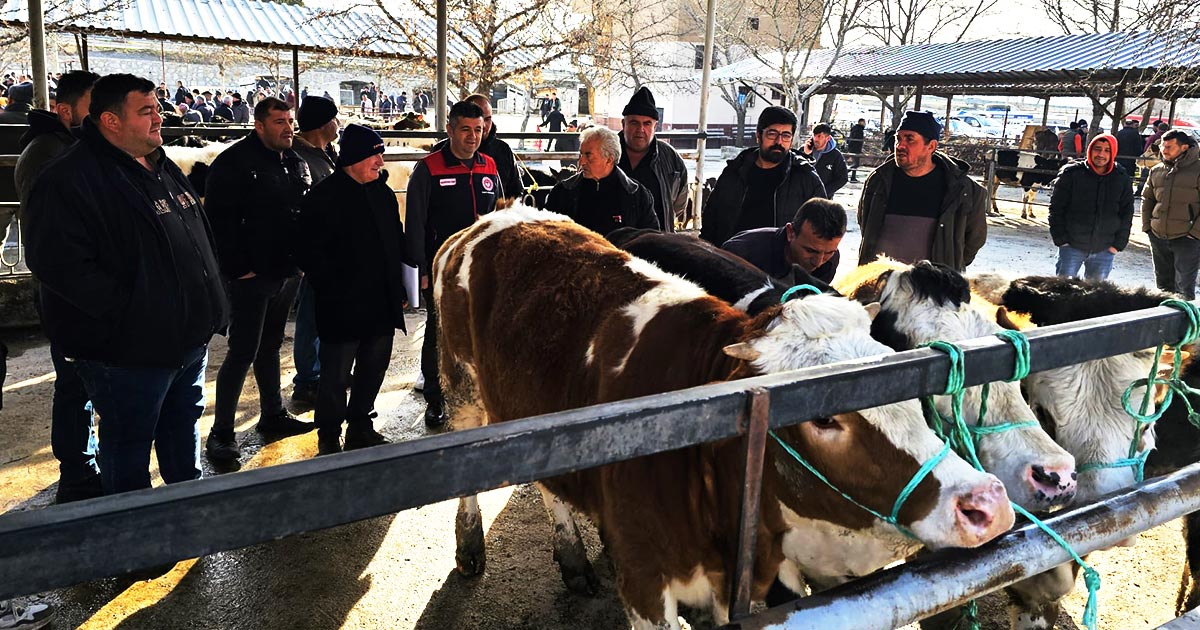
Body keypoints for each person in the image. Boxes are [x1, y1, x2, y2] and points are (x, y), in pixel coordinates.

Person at [23, 73, 229, 495]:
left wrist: (210, 300)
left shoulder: (160, 164)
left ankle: (184, 515)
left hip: (186, 340)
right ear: (110, 121)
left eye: (158, 108)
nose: (160, 118)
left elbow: (197, 235)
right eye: (146, 111)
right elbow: (58, 265)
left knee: (181, 432)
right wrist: (135, 314)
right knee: (128, 445)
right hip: (128, 351)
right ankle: (131, 543)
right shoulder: (68, 178)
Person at [203, 97, 315, 461]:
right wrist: (237, 268)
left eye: (290, 121)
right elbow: (218, 223)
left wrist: (302, 261)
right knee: (242, 350)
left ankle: (272, 414)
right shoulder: (233, 164)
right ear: (259, 125)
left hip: (286, 272)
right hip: (251, 274)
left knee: (270, 346)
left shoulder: (294, 161)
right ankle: (221, 434)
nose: (288, 128)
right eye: (279, 122)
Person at [14, 70, 101, 504]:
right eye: (92, 106)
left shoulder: (64, 146)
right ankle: (79, 474)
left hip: (72, 289)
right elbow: (56, 238)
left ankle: (84, 465)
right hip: (67, 293)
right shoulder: (50, 154)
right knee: (74, 385)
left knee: (79, 384)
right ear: (65, 110)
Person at [299, 125, 409, 455]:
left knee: (374, 368)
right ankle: (329, 435)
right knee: (335, 375)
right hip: (342, 306)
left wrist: (400, 287)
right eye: (374, 154)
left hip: (380, 303)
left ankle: (361, 424)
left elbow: (397, 242)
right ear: (354, 158)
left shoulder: (384, 194)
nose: (380, 160)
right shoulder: (322, 197)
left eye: (380, 153)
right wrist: (333, 289)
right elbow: (309, 255)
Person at [405, 101, 502, 428]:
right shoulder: (429, 168)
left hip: (480, 271)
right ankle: (435, 397)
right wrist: (419, 268)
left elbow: (499, 216)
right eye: (465, 129)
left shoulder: (489, 165)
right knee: (439, 333)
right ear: (450, 130)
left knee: (479, 332)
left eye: (478, 130)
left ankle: (473, 394)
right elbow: (415, 222)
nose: (473, 136)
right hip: (441, 269)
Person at [856, 110, 987, 271]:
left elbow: (974, 240)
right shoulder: (878, 181)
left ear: (931, 146)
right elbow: (866, 225)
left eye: (910, 139)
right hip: (880, 285)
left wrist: (948, 261)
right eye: (898, 138)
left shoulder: (963, 190)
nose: (900, 145)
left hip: (934, 289)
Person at [699, 106, 826, 247]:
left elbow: (824, 229)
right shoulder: (735, 171)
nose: (779, 142)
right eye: (772, 134)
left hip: (780, 265)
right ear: (758, 135)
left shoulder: (805, 177)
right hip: (732, 259)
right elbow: (711, 219)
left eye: (786, 136)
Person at [289, 95, 341, 407]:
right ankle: (307, 379)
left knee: (322, 315)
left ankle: (320, 372)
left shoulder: (323, 153)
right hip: (313, 254)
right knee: (309, 317)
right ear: (324, 124)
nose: (338, 124)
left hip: (330, 250)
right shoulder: (299, 158)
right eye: (334, 118)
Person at [1048, 133, 1134, 280]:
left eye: (1107, 150)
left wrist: (1118, 244)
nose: (1101, 154)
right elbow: (1056, 208)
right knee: (1062, 293)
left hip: (1104, 248)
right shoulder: (1071, 174)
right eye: (1098, 149)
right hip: (1071, 246)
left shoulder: (1121, 178)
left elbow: (1127, 212)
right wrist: (1061, 240)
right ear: (1090, 150)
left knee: (1096, 298)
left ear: (1113, 153)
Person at [544, 126, 659, 236]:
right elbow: (546, 236)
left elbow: (650, 241)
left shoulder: (637, 196)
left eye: (588, 155)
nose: (581, 162)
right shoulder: (562, 192)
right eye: (581, 154)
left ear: (609, 159)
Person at [721, 197, 846, 285]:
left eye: (828, 253)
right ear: (790, 232)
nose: (818, 262)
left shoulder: (830, 261)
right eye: (810, 250)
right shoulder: (740, 253)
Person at [618, 87, 689, 232]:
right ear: (623, 124)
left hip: (657, 243)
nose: (640, 129)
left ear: (655, 126)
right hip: (611, 243)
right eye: (634, 123)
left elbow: (678, 204)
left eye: (647, 123)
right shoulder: (605, 152)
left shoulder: (670, 158)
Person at [1144, 129, 1200, 299]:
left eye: (1169, 146)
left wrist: (1195, 233)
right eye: (1162, 146)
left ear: (1184, 148)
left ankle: (1184, 323)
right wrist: (1148, 227)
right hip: (1158, 235)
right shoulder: (1157, 170)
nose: (1163, 150)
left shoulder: (1198, 169)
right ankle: (1162, 323)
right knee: (1162, 287)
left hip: (1186, 238)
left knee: (1184, 287)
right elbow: (1148, 199)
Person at [799, 122, 849, 196]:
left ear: (828, 138)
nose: (815, 139)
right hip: (801, 195)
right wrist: (806, 155)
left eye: (819, 136)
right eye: (814, 135)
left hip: (822, 199)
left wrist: (824, 191)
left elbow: (843, 178)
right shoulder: (803, 149)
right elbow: (794, 169)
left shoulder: (835, 155)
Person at [1115, 119, 1143, 184]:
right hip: (1131, 159)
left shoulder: (1119, 133)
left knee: (1119, 175)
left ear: (1125, 124)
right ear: (1132, 125)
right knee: (1129, 177)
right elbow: (1138, 147)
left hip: (1119, 158)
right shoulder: (1135, 134)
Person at [847, 118, 866, 182]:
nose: (865, 124)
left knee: (855, 163)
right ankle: (844, 173)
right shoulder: (859, 129)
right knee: (856, 164)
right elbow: (856, 139)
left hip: (854, 148)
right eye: (864, 122)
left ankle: (853, 177)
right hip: (855, 148)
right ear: (861, 122)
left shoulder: (856, 128)